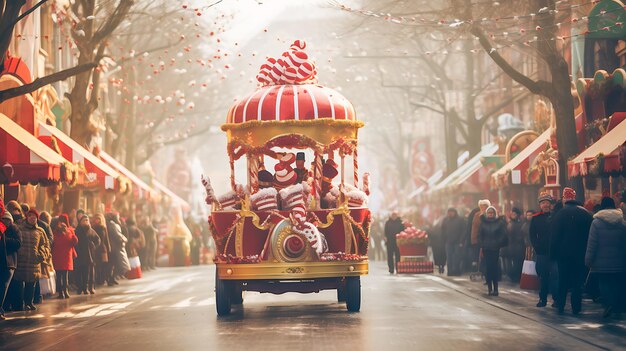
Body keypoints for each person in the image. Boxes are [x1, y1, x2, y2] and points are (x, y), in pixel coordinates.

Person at [551, 187, 593, 315]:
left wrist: (553, 254)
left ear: (564, 199)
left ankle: (561, 305)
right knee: (577, 282)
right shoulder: (586, 214)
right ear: (574, 198)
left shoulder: (560, 215)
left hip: (563, 256)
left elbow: (554, 237)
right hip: (580, 255)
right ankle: (576, 307)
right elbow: (590, 236)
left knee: (563, 281)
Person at [585, 197, 626, 318]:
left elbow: (592, 244)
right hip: (619, 261)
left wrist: (588, 260)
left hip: (600, 263)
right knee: (616, 283)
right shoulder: (622, 223)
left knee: (604, 283)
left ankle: (608, 303)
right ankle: (615, 305)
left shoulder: (596, 223)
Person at [13, 210, 49, 311]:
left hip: (34, 262)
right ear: (27, 217)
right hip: (21, 262)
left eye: (34, 216)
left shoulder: (40, 231)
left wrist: (41, 255)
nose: (32, 218)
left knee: (31, 284)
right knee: (19, 284)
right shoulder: (19, 228)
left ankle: (29, 302)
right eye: (30, 216)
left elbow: (45, 245)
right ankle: (19, 304)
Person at [529, 192, 557, 308]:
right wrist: (537, 246)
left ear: (550, 204)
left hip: (555, 252)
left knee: (555, 276)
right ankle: (543, 299)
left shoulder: (555, 217)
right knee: (543, 276)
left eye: (547, 203)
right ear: (540, 205)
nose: (546, 205)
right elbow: (532, 234)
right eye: (543, 203)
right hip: (542, 252)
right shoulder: (535, 218)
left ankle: (556, 299)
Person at [477, 206, 508, 296]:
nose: (490, 215)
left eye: (492, 213)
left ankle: (496, 289)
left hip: (495, 249)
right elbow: (480, 235)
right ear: (487, 214)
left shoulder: (499, 223)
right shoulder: (483, 223)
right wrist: (482, 244)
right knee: (488, 268)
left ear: (494, 214)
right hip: (486, 248)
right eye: (489, 213)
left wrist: (498, 243)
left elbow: (503, 234)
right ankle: (490, 288)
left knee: (494, 268)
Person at [0, 210, 21, 320]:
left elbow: (18, 243)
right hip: (2, 261)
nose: (5, 221)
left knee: (3, 286)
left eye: (7, 219)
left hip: (10, 263)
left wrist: (4, 240)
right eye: (3, 219)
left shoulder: (14, 228)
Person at [51, 215, 78, 299]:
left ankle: (64, 291)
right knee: (60, 275)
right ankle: (62, 292)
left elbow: (74, 242)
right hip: (60, 255)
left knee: (63, 275)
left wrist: (69, 232)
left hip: (65, 255)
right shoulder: (56, 231)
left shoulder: (68, 231)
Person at [74, 216, 101, 294]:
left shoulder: (91, 230)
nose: (86, 221)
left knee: (87, 273)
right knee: (79, 272)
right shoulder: (77, 231)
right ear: (80, 222)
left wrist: (94, 246)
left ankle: (86, 288)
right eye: (84, 220)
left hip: (89, 255)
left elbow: (98, 240)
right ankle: (79, 288)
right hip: (79, 254)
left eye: (87, 220)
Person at [106, 213, 130, 284]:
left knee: (113, 263)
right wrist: (124, 239)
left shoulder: (112, 225)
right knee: (112, 263)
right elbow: (117, 235)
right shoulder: (113, 225)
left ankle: (112, 278)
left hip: (114, 246)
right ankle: (110, 278)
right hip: (114, 247)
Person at [441, 208, 465, 276]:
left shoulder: (460, 220)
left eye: (451, 212)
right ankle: (450, 271)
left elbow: (463, 230)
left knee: (457, 257)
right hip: (448, 242)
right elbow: (442, 230)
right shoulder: (445, 220)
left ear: (455, 212)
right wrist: (444, 239)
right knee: (449, 257)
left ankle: (457, 271)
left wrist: (461, 240)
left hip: (458, 242)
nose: (450, 214)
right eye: (449, 212)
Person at [505, 208, 526, 283]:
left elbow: (521, 235)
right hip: (511, 246)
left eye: (515, 214)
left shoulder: (520, 224)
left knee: (518, 263)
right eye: (512, 213)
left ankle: (516, 277)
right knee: (513, 263)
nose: (513, 215)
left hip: (518, 247)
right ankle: (513, 276)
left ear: (518, 215)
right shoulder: (510, 223)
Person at [91, 214, 111, 286]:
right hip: (96, 248)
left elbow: (106, 239)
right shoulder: (92, 228)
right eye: (96, 219)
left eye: (99, 219)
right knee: (97, 264)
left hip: (103, 248)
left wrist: (108, 247)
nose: (97, 220)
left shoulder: (103, 228)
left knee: (104, 264)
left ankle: (103, 279)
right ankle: (98, 279)